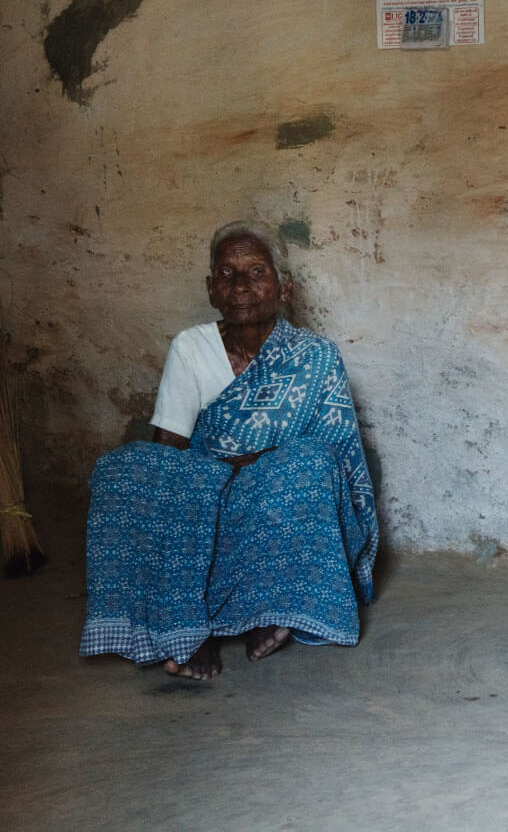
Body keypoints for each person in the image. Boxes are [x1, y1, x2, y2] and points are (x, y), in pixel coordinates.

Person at [80, 221, 379, 681]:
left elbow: (329, 454)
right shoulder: (191, 348)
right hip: (207, 494)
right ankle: (201, 629)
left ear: (284, 287)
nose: (241, 284)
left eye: (257, 270)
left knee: (311, 466)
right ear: (211, 290)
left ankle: (273, 608)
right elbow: (169, 458)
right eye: (226, 273)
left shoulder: (315, 356)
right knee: (123, 469)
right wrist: (222, 474)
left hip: (274, 499)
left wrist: (253, 466)